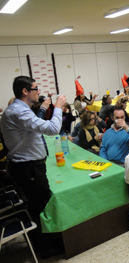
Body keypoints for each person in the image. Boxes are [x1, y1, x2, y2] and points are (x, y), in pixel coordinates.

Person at [0, 76, 67, 258]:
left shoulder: (20, 109)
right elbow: (53, 128)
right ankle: (45, 248)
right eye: (35, 89)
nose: (38, 91)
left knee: (38, 204)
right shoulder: (18, 112)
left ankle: (44, 242)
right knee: (41, 207)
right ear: (25, 91)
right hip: (27, 168)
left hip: (26, 166)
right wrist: (58, 107)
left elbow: (35, 126)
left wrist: (45, 107)